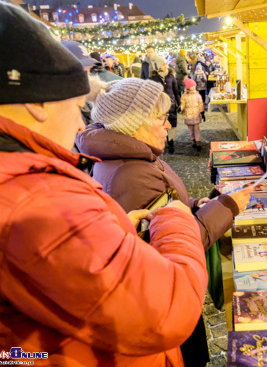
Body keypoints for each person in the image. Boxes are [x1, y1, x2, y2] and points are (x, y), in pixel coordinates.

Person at [0, 3, 208, 366]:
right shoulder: (34, 199)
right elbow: (167, 310)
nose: (79, 126)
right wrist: (175, 218)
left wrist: (118, 232)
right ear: (40, 102)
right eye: (75, 107)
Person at [75, 76, 253, 367]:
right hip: (164, 311)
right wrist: (228, 206)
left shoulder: (133, 156)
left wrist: (196, 204)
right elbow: (172, 245)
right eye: (161, 119)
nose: (169, 126)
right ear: (134, 124)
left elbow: (166, 208)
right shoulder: (131, 174)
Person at [181, 77, 205, 151]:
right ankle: (193, 140)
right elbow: (183, 104)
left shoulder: (197, 95)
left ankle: (198, 142)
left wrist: (202, 112)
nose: (194, 87)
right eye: (192, 86)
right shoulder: (184, 96)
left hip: (196, 114)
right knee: (191, 130)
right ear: (188, 87)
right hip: (188, 115)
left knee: (196, 129)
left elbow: (200, 104)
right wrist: (181, 109)